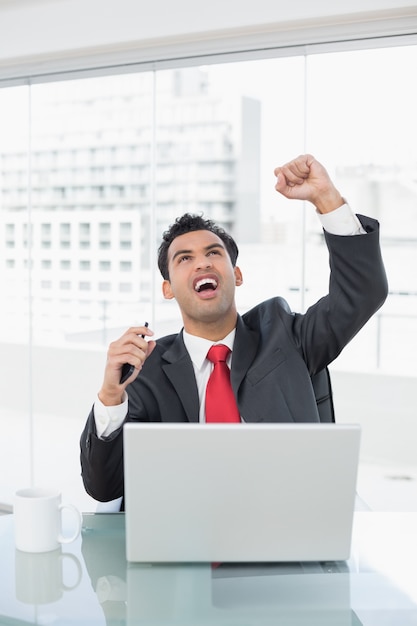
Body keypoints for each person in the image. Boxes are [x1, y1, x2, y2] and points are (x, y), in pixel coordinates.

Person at [80, 154, 388, 505]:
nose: (203, 262)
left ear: (236, 275)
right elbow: (103, 488)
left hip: (287, 526)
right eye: (185, 259)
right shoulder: (145, 369)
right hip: (185, 538)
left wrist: (326, 199)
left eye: (214, 253)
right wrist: (109, 395)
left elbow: (363, 293)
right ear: (167, 288)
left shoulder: (286, 334)